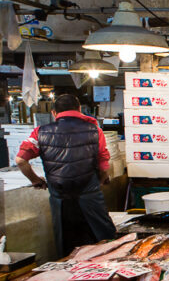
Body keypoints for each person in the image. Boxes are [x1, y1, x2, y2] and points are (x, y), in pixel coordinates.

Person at [15, 94, 116, 256]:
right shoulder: (95, 131)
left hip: (60, 200)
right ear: (80, 109)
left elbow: (20, 160)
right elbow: (104, 164)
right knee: (105, 243)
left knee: (68, 247)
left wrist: (35, 180)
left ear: (54, 113)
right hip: (90, 199)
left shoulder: (40, 132)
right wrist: (101, 180)